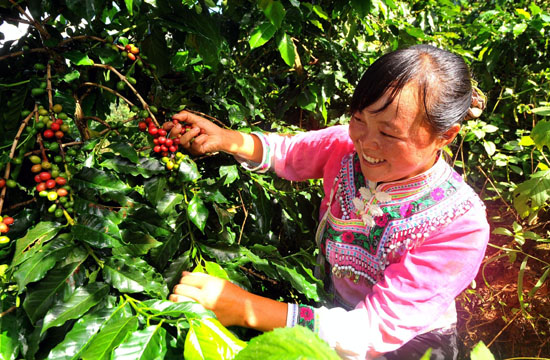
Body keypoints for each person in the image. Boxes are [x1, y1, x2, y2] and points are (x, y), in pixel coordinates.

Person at [168, 44, 490, 360]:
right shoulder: (344, 147)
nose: (365, 142)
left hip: (408, 343)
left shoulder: (459, 224)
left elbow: (371, 331)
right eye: (359, 119)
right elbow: (287, 153)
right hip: (335, 311)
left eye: (390, 134)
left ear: (445, 136)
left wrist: (245, 308)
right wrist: (225, 139)